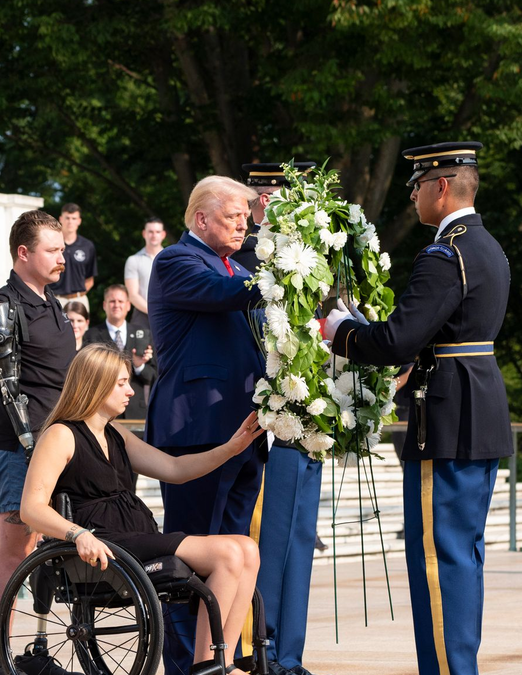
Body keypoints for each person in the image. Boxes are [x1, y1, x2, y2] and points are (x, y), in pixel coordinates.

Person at [324, 141, 514, 675]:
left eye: (418, 185)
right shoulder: (488, 247)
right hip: (477, 407)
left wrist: (342, 330)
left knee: (437, 559)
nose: (412, 195)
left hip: (448, 417)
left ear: (443, 187)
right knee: (462, 557)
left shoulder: (444, 252)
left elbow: (396, 339)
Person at [22, 344, 264, 675]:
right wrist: (76, 534)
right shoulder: (61, 435)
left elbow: (175, 469)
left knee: (248, 549)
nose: (130, 390)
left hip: (133, 534)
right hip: (103, 540)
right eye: (121, 383)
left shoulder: (114, 433)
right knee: (228, 553)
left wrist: (231, 448)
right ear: (95, 383)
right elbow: (31, 508)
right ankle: (207, 666)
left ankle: (224, 661)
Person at [146, 175, 266, 675]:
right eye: (234, 216)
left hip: (245, 431)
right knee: (190, 561)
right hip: (197, 430)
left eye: (245, 216)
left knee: (234, 556)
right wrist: (278, 270)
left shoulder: (236, 265)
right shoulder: (176, 261)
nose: (244, 225)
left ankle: (220, 659)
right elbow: (223, 293)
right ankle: (183, 665)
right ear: (201, 219)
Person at [0, 209, 76, 675]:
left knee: (45, 548)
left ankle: (37, 649)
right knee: (14, 548)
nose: (63, 258)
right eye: (53, 250)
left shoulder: (52, 301)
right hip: (20, 444)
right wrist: (34, 445)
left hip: (57, 440)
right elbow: (9, 386)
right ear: (24, 253)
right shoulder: (2, 302)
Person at [236, 161, 324, 675]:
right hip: (260, 416)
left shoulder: (315, 258)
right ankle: (257, 646)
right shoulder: (248, 259)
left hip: (304, 416)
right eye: (264, 195)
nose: (270, 205)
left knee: (297, 540)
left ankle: (288, 652)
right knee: (263, 536)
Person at [84, 284, 155, 421]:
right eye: (112, 301)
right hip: (101, 413)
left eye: (120, 301)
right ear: (104, 305)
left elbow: (153, 376)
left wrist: (139, 366)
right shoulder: (91, 336)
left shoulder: (143, 334)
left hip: (136, 414)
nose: (116, 305)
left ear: (128, 305)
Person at [47, 203, 96, 310]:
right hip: (54, 299)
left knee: (80, 327)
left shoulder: (87, 246)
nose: (70, 221)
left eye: (74, 218)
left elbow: (90, 279)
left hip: (79, 299)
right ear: (60, 219)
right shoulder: (51, 244)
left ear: (79, 221)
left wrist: (78, 295)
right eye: (67, 218)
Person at [123, 217, 166, 328]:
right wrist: (155, 311)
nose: (154, 235)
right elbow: (133, 295)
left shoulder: (172, 259)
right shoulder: (134, 260)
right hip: (142, 317)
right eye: (150, 232)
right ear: (144, 233)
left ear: (163, 234)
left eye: (157, 232)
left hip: (168, 315)